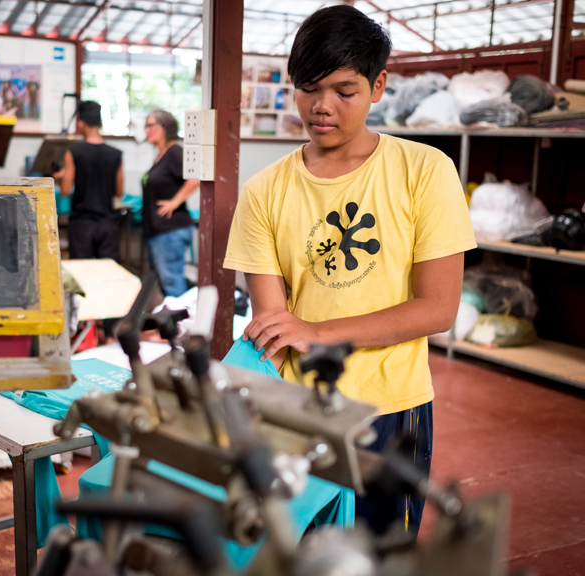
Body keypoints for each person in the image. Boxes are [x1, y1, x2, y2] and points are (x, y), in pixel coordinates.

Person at [223, 5, 475, 538]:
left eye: (344, 90)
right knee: (293, 554)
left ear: (379, 84)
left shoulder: (424, 172)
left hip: (389, 409)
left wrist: (317, 332)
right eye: (308, 87)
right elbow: (274, 324)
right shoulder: (264, 192)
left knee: (378, 555)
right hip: (299, 412)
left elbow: (438, 308)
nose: (322, 107)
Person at [142, 110, 200, 297]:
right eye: (146, 125)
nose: (147, 130)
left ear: (164, 128)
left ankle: (180, 325)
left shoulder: (175, 152)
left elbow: (195, 178)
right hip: (158, 231)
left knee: (172, 285)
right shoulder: (161, 154)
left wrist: (174, 203)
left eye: (151, 125)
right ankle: (166, 325)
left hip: (170, 231)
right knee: (161, 285)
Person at [59, 101, 124, 262]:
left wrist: (62, 177)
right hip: (108, 224)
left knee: (82, 276)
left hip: (82, 224)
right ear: (100, 122)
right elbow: (118, 192)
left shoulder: (74, 153)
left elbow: (65, 191)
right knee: (108, 274)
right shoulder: (116, 154)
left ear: (80, 122)